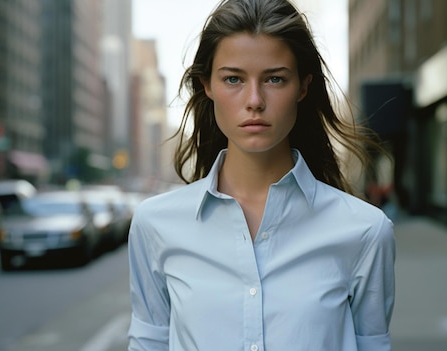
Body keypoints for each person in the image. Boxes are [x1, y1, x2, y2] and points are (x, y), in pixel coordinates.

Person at [127, 0, 396, 350]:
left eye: (274, 78)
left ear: (302, 87)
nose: (254, 100)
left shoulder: (365, 232)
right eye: (234, 79)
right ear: (207, 85)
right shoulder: (155, 225)